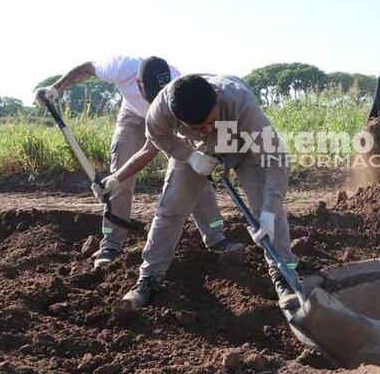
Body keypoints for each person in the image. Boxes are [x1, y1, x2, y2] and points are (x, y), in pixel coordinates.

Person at [34, 57, 243, 269]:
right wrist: (55, 88)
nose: (156, 100)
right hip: (132, 115)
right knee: (121, 171)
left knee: (195, 171)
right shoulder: (122, 67)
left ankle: (216, 238)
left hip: (169, 118)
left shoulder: (179, 90)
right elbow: (88, 68)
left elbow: (151, 148)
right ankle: (111, 244)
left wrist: (194, 157)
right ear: (138, 84)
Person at [122, 74, 299, 311]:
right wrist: (190, 156)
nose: (207, 129)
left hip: (242, 141)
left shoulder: (241, 103)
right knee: (171, 208)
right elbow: (158, 137)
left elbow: (276, 159)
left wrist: (268, 212)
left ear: (216, 98)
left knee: (267, 205)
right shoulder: (161, 111)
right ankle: (149, 278)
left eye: (210, 121)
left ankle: (285, 276)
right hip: (198, 150)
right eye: (198, 126)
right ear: (178, 117)